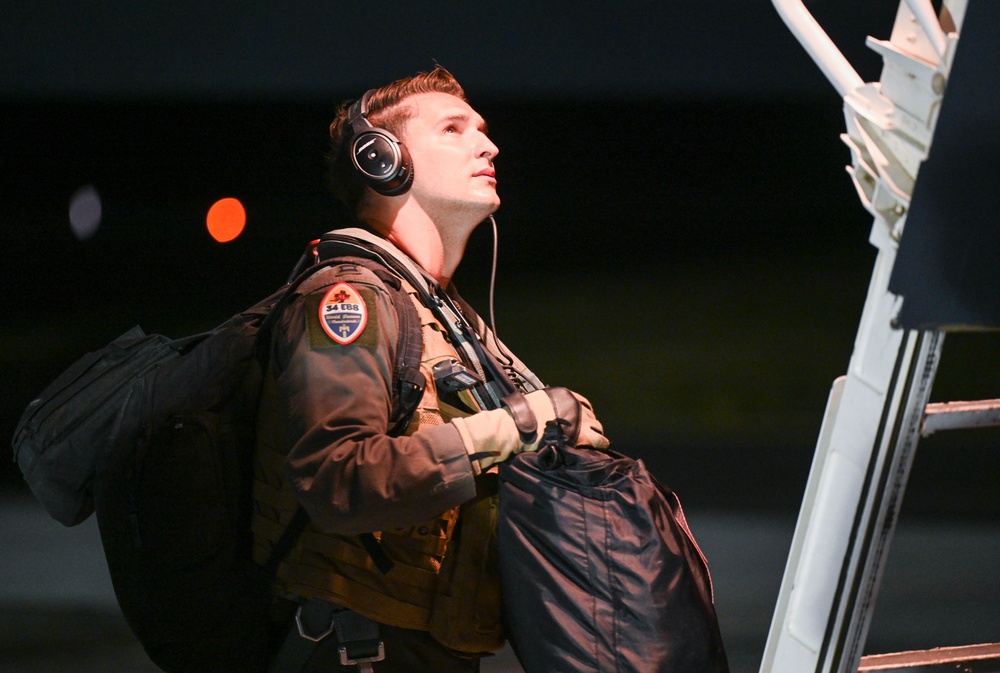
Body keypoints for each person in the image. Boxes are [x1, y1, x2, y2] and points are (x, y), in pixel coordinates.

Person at [251, 65, 609, 672]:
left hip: (427, 647)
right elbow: (338, 480)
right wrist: (517, 425)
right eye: (452, 128)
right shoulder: (349, 299)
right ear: (383, 161)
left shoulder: (438, 309)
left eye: (483, 129)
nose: (487, 144)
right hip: (358, 650)